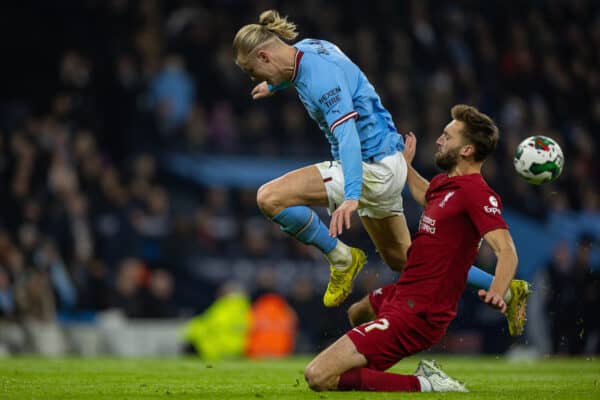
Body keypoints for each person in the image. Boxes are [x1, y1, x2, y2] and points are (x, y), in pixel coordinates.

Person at [232, 10, 529, 335]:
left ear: (263, 55)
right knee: (407, 260)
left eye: (251, 70)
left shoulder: (319, 78)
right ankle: (510, 289)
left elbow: (347, 136)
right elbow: (296, 72)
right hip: (388, 161)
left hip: (371, 166)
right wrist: (272, 87)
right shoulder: (310, 47)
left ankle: (341, 257)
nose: (251, 77)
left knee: (270, 198)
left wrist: (351, 197)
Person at [303, 105, 517, 392]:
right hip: (404, 293)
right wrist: (404, 165)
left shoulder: (477, 193)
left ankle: (427, 384)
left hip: (420, 312)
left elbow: (506, 249)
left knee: (318, 376)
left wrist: (498, 290)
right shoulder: (446, 185)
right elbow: (427, 196)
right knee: (359, 312)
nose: (439, 140)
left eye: (447, 136)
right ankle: (366, 377)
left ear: (466, 150)